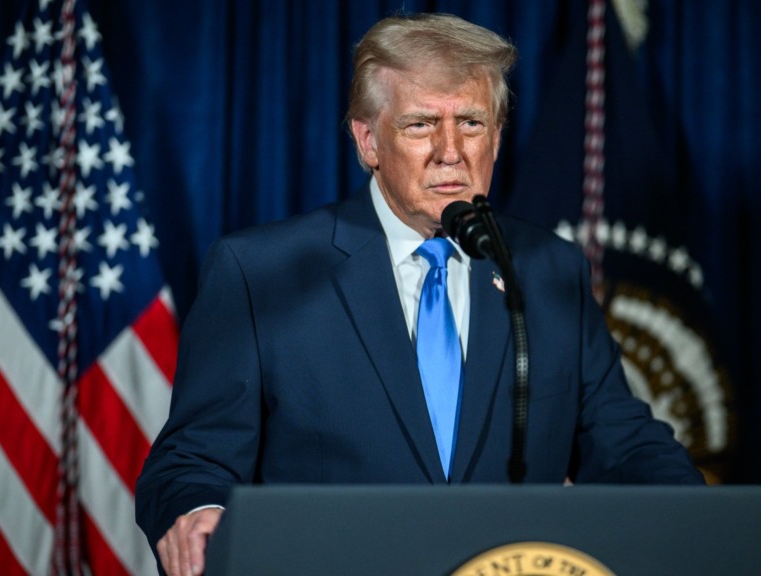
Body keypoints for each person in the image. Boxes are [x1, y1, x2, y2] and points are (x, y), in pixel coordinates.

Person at [135, 11, 704, 576]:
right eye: (420, 125)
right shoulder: (260, 272)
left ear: (498, 138)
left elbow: (623, 443)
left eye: (472, 124)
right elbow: (191, 460)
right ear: (368, 141)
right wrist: (199, 513)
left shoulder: (550, 270)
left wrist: (709, 521)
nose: (450, 151)